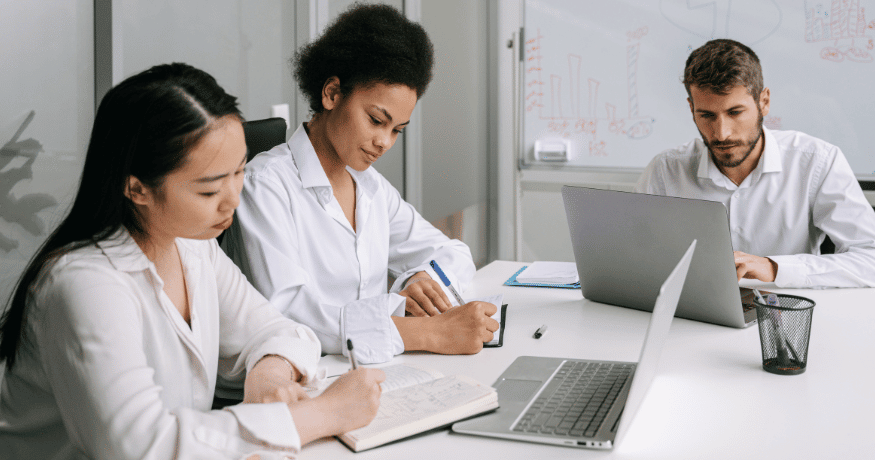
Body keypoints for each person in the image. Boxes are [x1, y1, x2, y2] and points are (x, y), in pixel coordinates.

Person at [0, 63, 384, 460]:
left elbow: (279, 329)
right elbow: (140, 445)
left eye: (238, 172)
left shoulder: (190, 246)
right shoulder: (84, 283)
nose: (233, 199)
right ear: (137, 188)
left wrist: (269, 374)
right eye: (209, 189)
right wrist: (324, 414)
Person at [221, 4, 499, 364]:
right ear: (332, 94)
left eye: (397, 130)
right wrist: (427, 331)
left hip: (372, 368)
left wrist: (418, 280)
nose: (385, 142)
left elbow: (453, 254)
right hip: (299, 379)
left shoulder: (370, 187)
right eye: (376, 120)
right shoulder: (265, 185)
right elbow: (289, 313)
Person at [635, 39, 875, 288]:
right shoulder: (665, 171)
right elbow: (631, 257)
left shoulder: (816, 162)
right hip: (690, 319)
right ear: (691, 108)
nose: (721, 134)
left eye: (735, 112)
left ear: (764, 102)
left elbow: (871, 259)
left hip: (784, 318)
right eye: (706, 115)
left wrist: (775, 268)